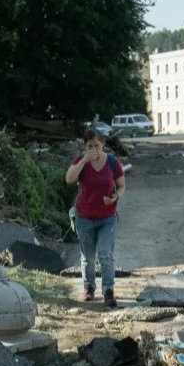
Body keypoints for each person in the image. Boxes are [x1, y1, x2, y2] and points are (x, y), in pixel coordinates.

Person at [65, 128, 125, 306]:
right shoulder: (80, 161)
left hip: (108, 217)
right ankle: (89, 287)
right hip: (85, 217)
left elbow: (121, 187)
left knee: (105, 254)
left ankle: (108, 290)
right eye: (90, 146)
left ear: (103, 145)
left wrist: (115, 197)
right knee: (88, 257)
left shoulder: (113, 162)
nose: (94, 149)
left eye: (97, 145)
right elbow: (69, 179)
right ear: (85, 147)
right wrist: (84, 160)